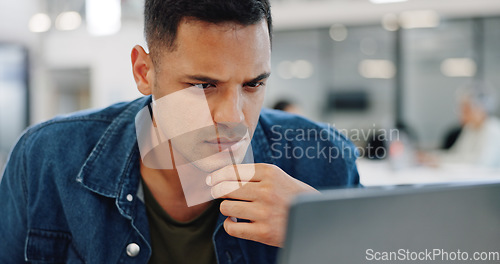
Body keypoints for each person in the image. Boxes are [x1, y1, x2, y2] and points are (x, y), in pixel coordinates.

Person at [0, 1, 360, 263]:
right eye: (204, 85)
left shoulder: (325, 158)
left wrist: (322, 232)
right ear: (144, 71)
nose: (232, 116)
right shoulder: (47, 157)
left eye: (252, 84)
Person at [436, 82, 500, 168]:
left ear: (480, 108)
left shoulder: (494, 130)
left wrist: (442, 164)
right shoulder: (470, 128)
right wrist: (435, 158)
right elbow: (457, 154)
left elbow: (481, 164)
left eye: (466, 108)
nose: (461, 112)